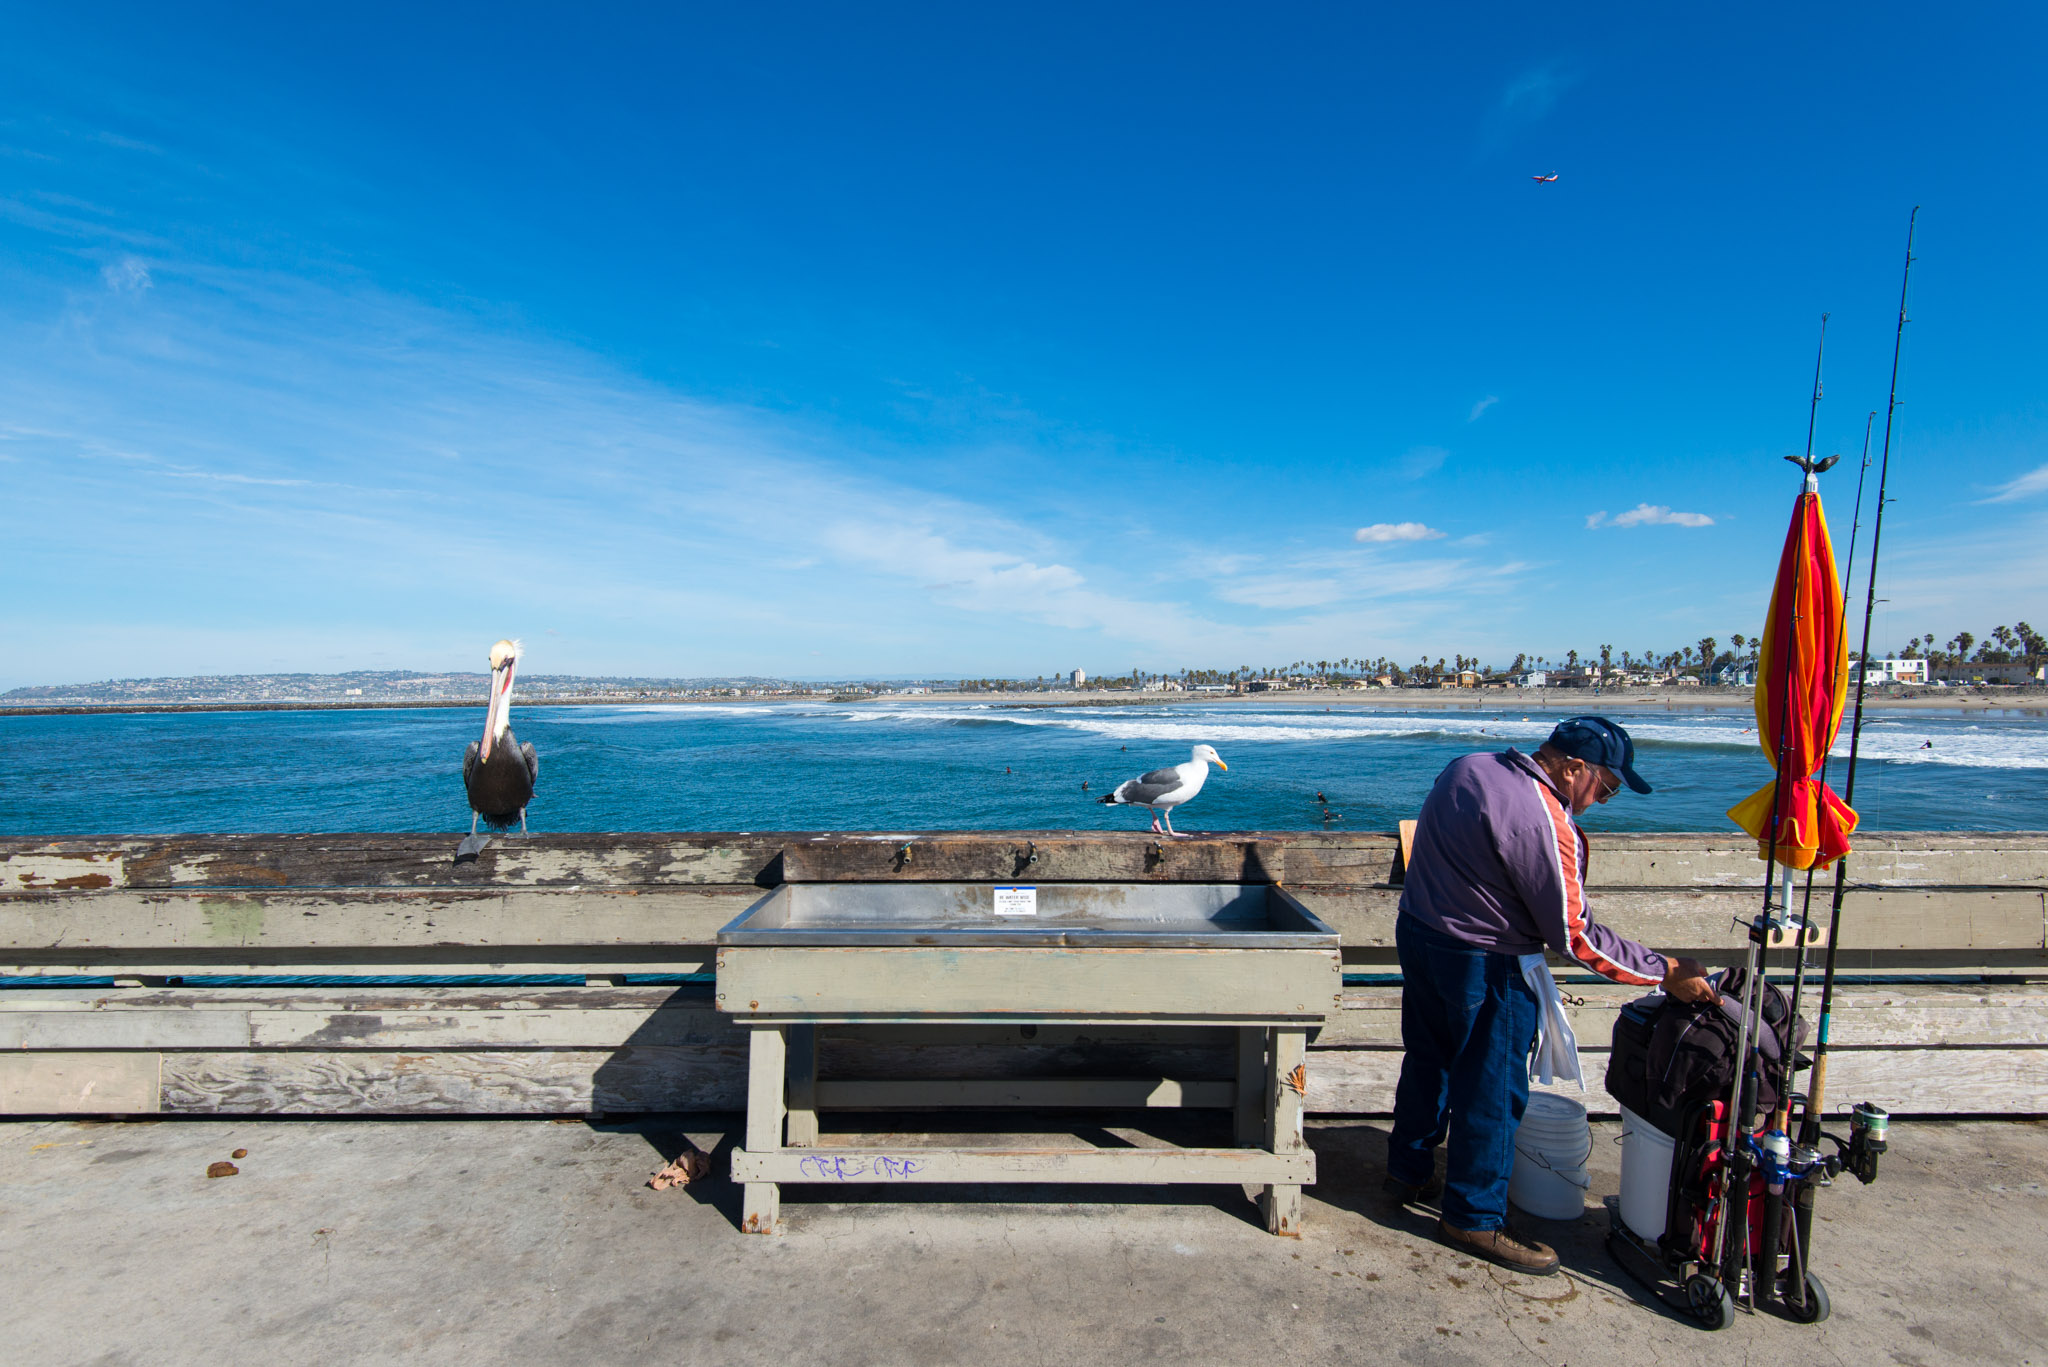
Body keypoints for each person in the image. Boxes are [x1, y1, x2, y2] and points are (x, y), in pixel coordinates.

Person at [1385, 715, 1716, 1275]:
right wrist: (1665, 972)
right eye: (1605, 787)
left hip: (1421, 934)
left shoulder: (1468, 767)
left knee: (1429, 1061)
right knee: (1492, 1089)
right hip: (1484, 962)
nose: (1602, 801)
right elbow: (1574, 935)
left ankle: (1407, 1171)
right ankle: (1473, 1217)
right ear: (1573, 766)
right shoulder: (1543, 818)